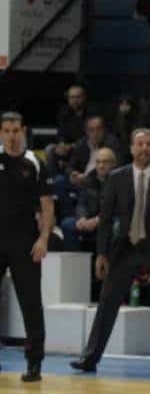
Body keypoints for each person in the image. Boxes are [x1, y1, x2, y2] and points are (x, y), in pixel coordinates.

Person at [71, 129, 150, 374]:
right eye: (140, 144)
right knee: (107, 303)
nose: (144, 148)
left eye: (149, 144)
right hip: (124, 248)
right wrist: (101, 254)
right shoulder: (116, 177)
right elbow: (107, 217)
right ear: (132, 148)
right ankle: (89, 357)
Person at [0, 112, 54, 382]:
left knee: (31, 304)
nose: (11, 135)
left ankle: (34, 363)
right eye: (6, 130)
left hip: (25, 242)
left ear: (23, 131)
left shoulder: (34, 162)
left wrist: (43, 239)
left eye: (15, 130)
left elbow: (46, 205)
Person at [60, 147, 117, 252]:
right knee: (67, 223)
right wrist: (82, 218)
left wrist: (97, 220)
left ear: (113, 165)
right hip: (89, 220)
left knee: (117, 226)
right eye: (98, 162)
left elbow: (118, 209)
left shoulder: (119, 181)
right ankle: (77, 264)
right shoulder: (89, 179)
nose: (101, 166)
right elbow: (82, 203)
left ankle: (111, 264)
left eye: (105, 162)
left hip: (108, 220)